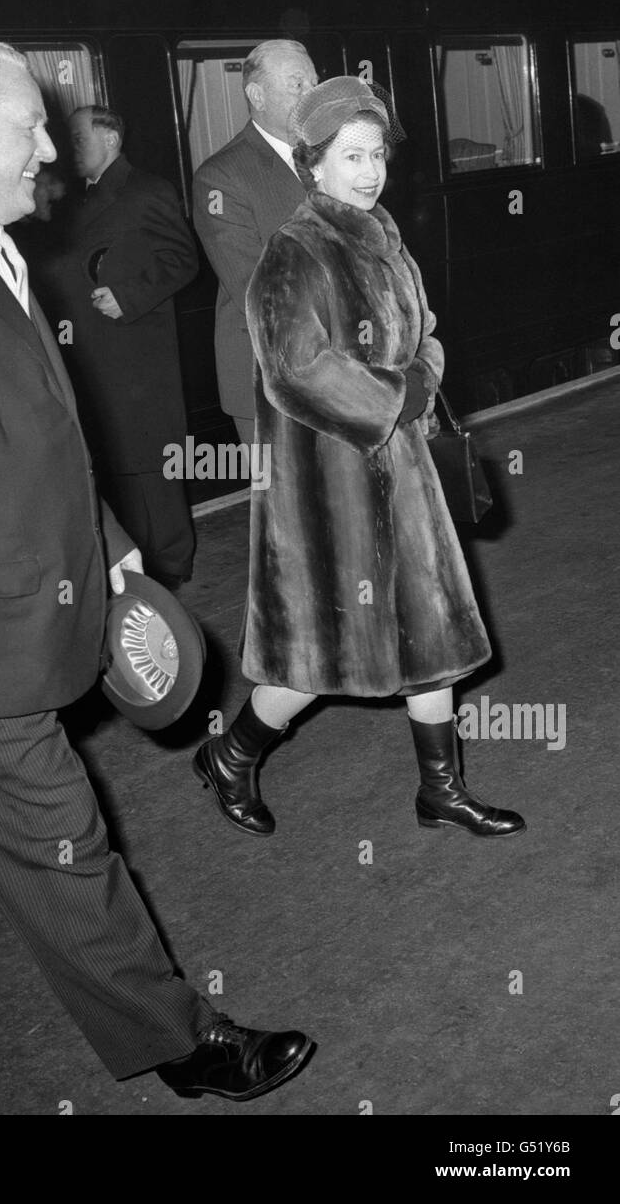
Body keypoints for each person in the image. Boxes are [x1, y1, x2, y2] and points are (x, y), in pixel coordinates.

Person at [0, 37, 314, 1102]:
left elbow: (24, 430)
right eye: (27, 124)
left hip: (16, 598)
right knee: (63, 838)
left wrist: (109, 539)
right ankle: (186, 1040)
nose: (50, 142)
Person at [193, 76, 526, 843]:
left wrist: (424, 364)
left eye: (376, 153)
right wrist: (403, 392)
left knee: (430, 631)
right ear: (313, 162)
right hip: (332, 485)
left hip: (400, 474)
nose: (370, 169)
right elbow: (296, 370)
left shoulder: (378, 233)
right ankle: (231, 754)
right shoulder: (294, 251)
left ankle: (440, 790)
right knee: (314, 655)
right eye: (352, 155)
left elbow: (423, 329)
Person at [31, 105, 196, 589]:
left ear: (111, 139)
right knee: (117, 462)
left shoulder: (147, 191)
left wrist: (129, 295)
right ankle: (134, 563)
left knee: (153, 464)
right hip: (90, 354)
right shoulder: (73, 198)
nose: (70, 147)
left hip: (136, 355)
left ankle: (170, 564)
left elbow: (183, 259)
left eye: (79, 137)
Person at [193, 40, 317, 445]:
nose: (312, 94)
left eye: (315, 82)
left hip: (342, 371)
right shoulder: (222, 177)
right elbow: (258, 289)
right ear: (256, 95)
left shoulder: (334, 158)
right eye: (298, 84)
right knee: (289, 506)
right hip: (272, 377)